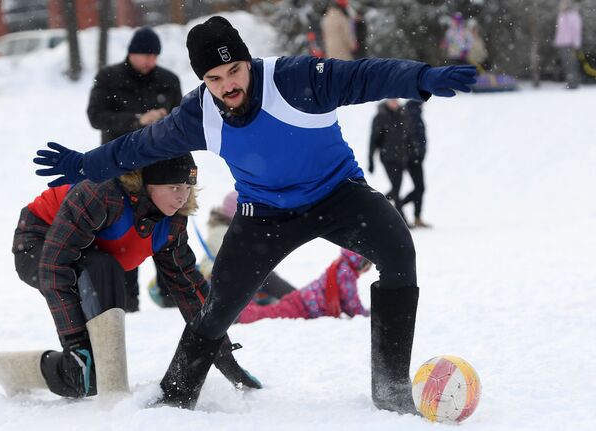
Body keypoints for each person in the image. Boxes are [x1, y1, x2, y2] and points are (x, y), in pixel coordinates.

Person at [33, 16, 476, 412]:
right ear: (202, 80)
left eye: (234, 70)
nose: (228, 84)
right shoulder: (197, 113)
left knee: (400, 255)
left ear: (249, 62)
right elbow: (140, 147)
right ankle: (174, 397)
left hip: (340, 195)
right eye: (214, 77)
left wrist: (422, 78)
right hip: (264, 212)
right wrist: (85, 165)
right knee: (216, 308)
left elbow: (365, 76)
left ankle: (392, 388)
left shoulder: (298, 78)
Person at [0, 155, 260, 400]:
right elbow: (54, 266)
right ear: (147, 183)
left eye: (188, 187)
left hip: (92, 261)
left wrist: (223, 355)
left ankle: (5, 369)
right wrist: (76, 343)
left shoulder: (172, 221)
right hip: (39, 244)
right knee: (102, 273)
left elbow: (189, 286)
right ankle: (115, 400)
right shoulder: (102, 194)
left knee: (86, 380)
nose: (182, 197)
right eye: (174, 187)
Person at [87, 26, 183, 312]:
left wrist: (162, 122)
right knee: (123, 229)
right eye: (144, 55)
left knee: (164, 227)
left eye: (153, 56)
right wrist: (137, 120)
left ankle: (170, 295)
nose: (149, 61)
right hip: (119, 164)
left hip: (160, 165)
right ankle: (127, 301)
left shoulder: (168, 80)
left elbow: (181, 120)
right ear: (131, 52)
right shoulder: (108, 77)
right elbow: (96, 117)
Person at [197, 190, 296, 305]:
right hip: (220, 278)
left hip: (230, 278)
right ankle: (297, 298)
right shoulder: (221, 233)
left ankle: (293, 297)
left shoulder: (232, 231)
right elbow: (228, 259)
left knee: (263, 274)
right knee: (264, 274)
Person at [237, 249, 370, 324]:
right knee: (271, 314)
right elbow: (351, 301)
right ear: (361, 264)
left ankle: (242, 309)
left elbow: (345, 301)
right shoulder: (346, 274)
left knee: (273, 311)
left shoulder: (340, 266)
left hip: (303, 300)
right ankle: (240, 313)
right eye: (367, 269)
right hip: (304, 306)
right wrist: (363, 315)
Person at [368, 99, 410, 216]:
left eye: (396, 100)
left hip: (401, 158)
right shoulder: (380, 117)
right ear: (387, 101)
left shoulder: (402, 114)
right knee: (396, 189)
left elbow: (407, 137)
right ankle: (402, 218)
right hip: (388, 158)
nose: (395, 102)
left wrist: (410, 153)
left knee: (396, 189)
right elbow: (373, 140)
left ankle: (377, 205)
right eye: (392, 100)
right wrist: (371, 160)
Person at [400, 100, 431, 228]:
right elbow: (412, 136)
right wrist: (417, 152)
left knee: (420, 188)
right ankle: (399, 204)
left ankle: (417, 216)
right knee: (420, 187)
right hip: (413, 158)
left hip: (414, 157)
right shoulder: (413, 114)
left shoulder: (411, 112)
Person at [554, 0, 582, 89]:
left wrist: (576, 44)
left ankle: (573, 84)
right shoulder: (561, 15)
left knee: (572, 65)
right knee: (566, 65)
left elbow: (576, 31)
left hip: (571, 44)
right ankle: (570, 83)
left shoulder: (574, 16)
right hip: (562, 44)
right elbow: (559, 30)